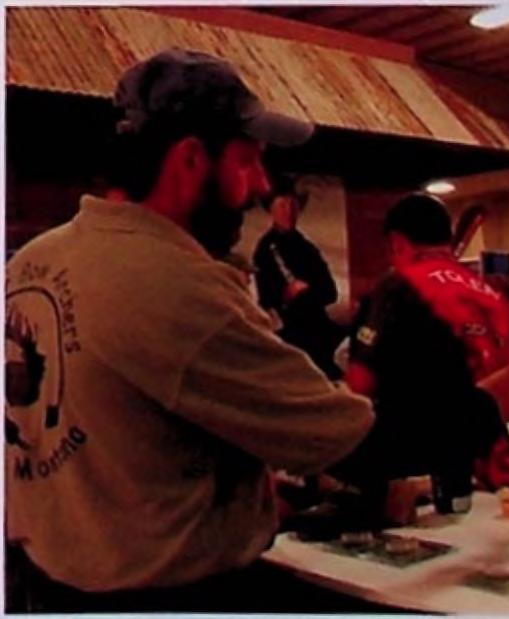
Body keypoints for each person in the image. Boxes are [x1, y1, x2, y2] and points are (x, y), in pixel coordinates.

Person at [3, 48, 379, 611]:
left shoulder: (33, 261)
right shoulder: (175, 283)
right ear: (190, 159)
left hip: (41, 587)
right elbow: (347, 442)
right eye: (247, 161)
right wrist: (488, 405)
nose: (260, 185)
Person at [343, 194, 509, 502]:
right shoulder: (491, 295)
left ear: (397, 242)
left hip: (421, 471)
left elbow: (360, 387)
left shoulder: (396, 288)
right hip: (496, 467)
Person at [253, 178, 344, 379]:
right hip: (293, 335)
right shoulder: (266, 251)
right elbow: (267, 301)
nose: (288, 211)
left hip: (319, 328)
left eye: (293, 205)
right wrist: (286, 296)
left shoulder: (307, 248)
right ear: (271, 210)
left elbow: (330, 292)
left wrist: (307, 290)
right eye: (282, 205)